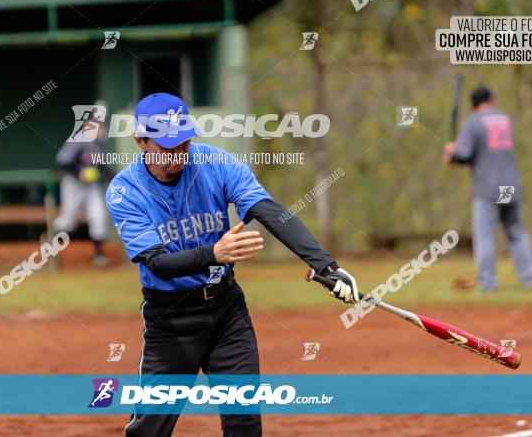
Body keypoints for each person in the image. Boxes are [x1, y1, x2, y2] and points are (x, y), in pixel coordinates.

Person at [105, 93, 358, 436]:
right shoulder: (125, 191)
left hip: (227, 315)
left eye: (184, 142)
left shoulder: (215, 162)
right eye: (167, 146)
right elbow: (158, 263)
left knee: (244, 422)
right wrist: (214, 253)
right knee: (150, 429)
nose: (178, 153)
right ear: (140, 141)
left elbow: (268, 211)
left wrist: (326, 266)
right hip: (172, 321)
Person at [443, 85, 532, 292]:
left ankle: (488, 284)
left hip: (487, 188)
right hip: (511, 185)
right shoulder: (506, 120)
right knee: (517, 233)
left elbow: (464, 155)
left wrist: (451, 152)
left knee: (485, 237)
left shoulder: (472, 123)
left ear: (473, 105)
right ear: (492, 99)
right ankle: (530, 279)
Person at [54, 102, 110, 267]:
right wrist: (78, 172)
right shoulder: (79, 138)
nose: (98, 126)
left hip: (91, 186)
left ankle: (99, 256)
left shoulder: (100, 141)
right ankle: (53, 253)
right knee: (68, 221)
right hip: (73, 184)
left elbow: (100, 167)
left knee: (99, 216)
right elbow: (63, 161)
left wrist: (105, 174)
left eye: (100, 123)